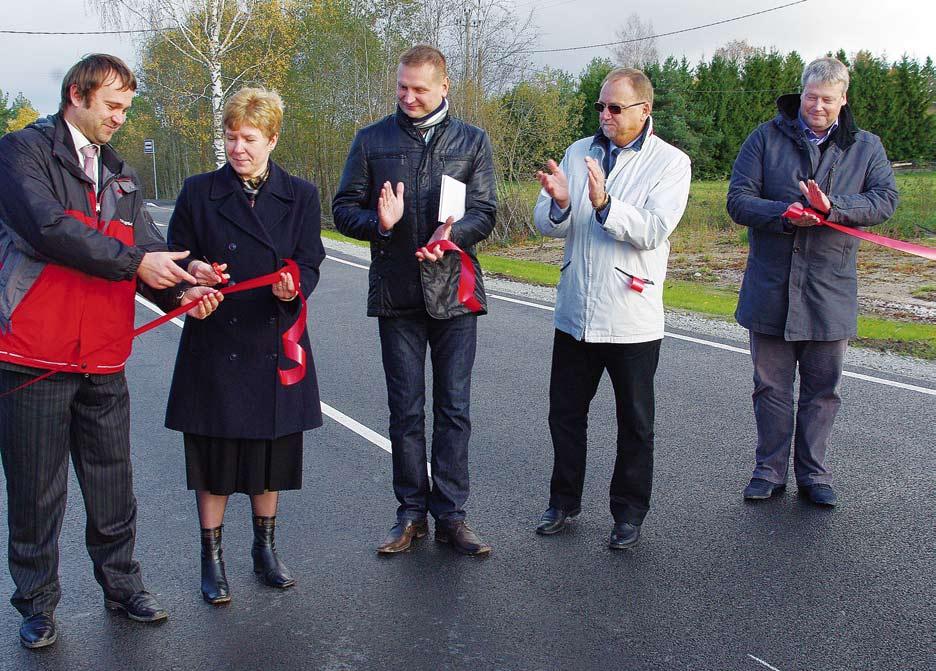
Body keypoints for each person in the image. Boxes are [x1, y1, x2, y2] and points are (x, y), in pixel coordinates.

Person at [0, 54, 220, 649]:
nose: (122, 117)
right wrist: (137, 262)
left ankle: (124, 590)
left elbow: (146, 248)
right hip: (34, 357)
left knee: (113, 488)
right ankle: (38, 606)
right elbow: (48, 229)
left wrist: (186, 278)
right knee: (36, 493)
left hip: (102, 357)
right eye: (113, 106)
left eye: (127, 107)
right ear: (77, 94)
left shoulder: (121, 174)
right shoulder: (21, 153)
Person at [333, 45, 496, 557]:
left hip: (454, 292)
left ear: (444, 87)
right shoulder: (371, 140)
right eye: (402, 87)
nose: (408, 97)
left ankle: (451, 515)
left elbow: (486, 211)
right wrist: (379, 224)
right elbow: (342, 210)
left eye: (419, 89)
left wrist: (455, 235)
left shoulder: (473, 141)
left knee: (454, 408)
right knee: (405, 410)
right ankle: (410, 514)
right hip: (397, 293)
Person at [165, 87, 325, 604]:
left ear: (272, 139)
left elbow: (310, 259)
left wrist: (292, 283)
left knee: (268, 452)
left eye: (249, 139)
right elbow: (175, 259)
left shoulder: (300, 195)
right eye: (231, 137)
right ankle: (211, 560)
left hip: (271, 339)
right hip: (215, 340)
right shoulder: (197, 191)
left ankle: (265, 549)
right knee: (213, 457)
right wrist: (194, 275)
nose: (238, 148)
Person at [727, 57, 898, 507]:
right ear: (800, 94)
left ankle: (814, 475)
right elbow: (739, 200)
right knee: (771, 387)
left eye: (827, 99)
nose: (817, 106)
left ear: (843, 100)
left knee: (823, 390)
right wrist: (784, 212)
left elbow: (884, 200)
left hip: (830, 290)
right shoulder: (764, 137)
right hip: (771, 288)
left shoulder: (866, 146)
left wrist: (831, 208)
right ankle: (768, 471)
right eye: (810, 97)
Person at [532, 67, 691, 549]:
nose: (604, 115)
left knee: (635, 423)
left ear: (645, 110)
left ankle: (628, 513)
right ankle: (563, 502)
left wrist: (604, 204)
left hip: (630, 316)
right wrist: (560, 202)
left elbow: (653, 230)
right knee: (564, 414)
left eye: (615, 108)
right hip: (575, 311)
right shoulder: (579, 151)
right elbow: (546, 222)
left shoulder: (670, 163)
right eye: (600, 106)